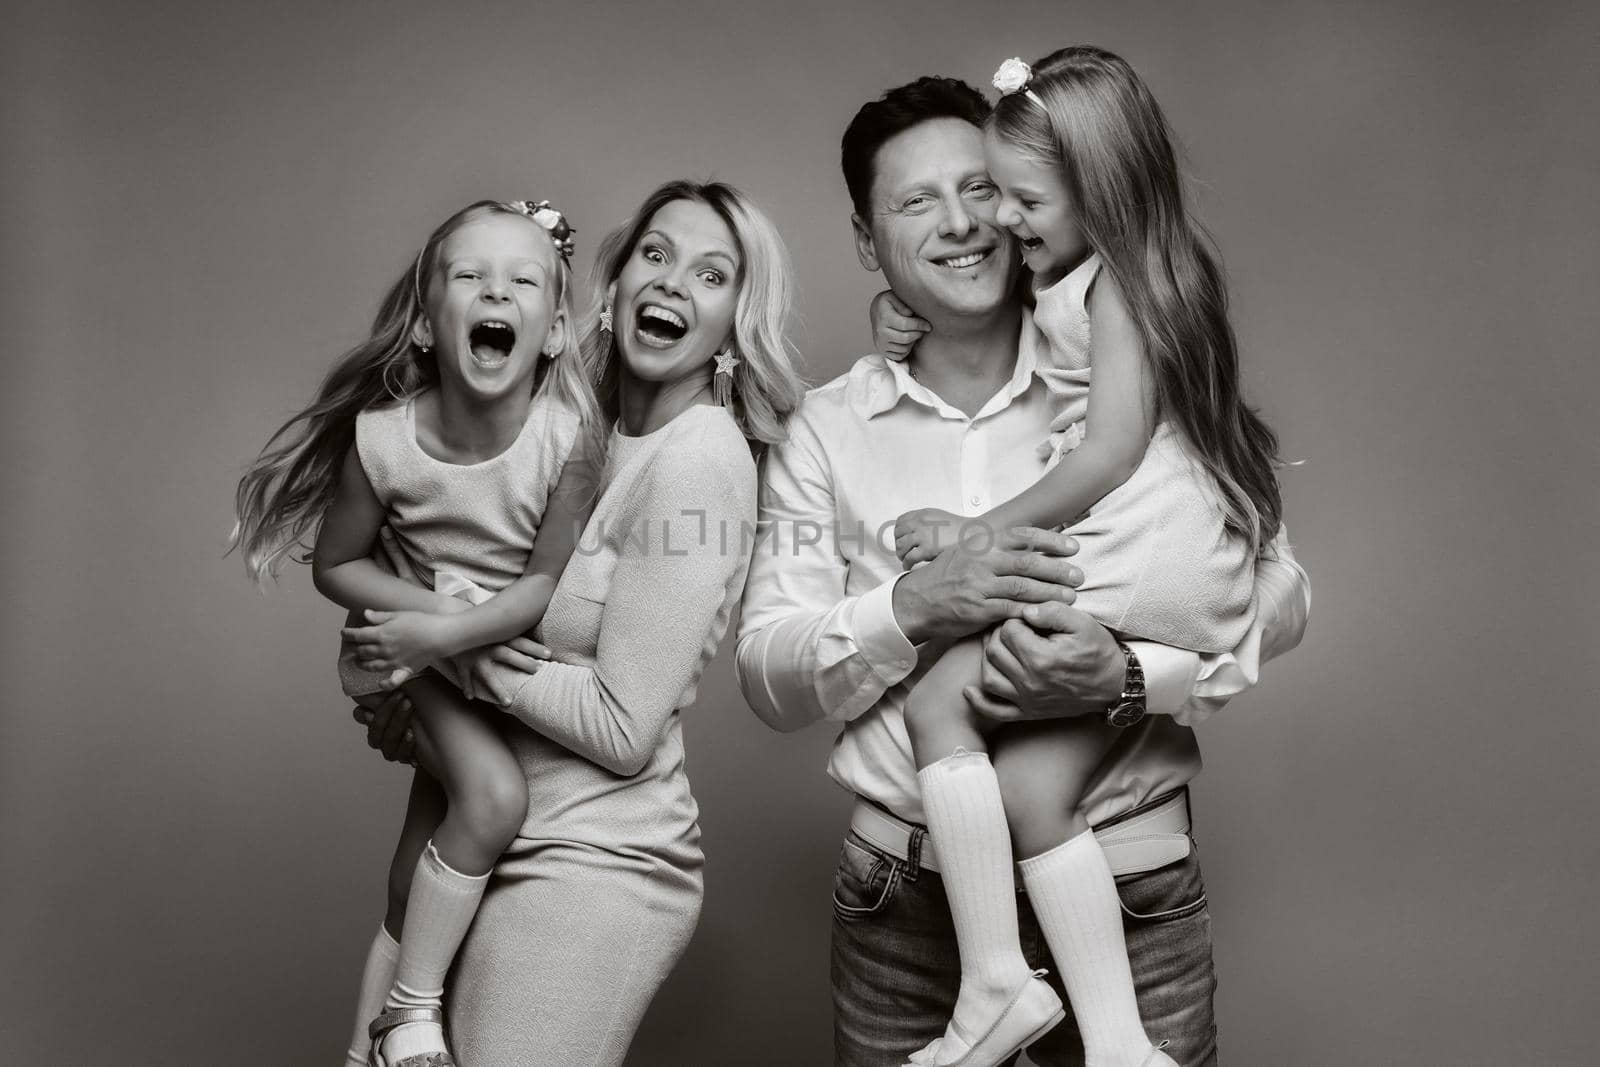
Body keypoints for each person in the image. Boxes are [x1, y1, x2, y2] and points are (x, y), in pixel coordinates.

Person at [736, 75, 1310, 1067]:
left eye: (986, 189)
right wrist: (910, 608)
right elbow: (767, 674)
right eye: (919, 202)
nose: (969, 223)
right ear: (871, 242)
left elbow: (1274, 590)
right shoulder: (825, 430)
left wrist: (1131, 675)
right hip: (900, 910)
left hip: (1132, 894)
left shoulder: (1113, 357)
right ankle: (997, 982)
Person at [358, 180, 805, 1066]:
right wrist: (415, 708)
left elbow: (622, 725)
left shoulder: (700, 460)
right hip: (480, 841)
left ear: (733, 325)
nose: (674, 283)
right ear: (609, 284)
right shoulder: (566, 431)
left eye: (712, 275)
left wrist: (449, 649)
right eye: (656, 253)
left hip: (591, 869)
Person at [229, 198, 600, 1067]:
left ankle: (365, 1051)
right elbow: (336, 567)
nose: (494, 292)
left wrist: (463, 627)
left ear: (552, 332)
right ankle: (412, 1012)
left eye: (522, 280)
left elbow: (544, 586)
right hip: (405, 657)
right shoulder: (385, 440)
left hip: (494, 657)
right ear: (430, 324)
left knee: (424, 853)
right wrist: (438, 622)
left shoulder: (568, 440)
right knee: (495, 799)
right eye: (469, 277)